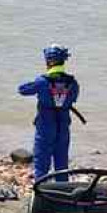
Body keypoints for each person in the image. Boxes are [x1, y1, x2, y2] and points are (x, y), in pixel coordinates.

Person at [18, 45, 79, 183]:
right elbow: (73, 98)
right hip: (63, 126)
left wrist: (39, 82)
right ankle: (63, 194)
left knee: (42, 165)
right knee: (62, 164)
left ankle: (41, 195)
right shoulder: (73, 83)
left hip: (45, 126)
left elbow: (22, 90)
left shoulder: (42, 82)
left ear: (48, 62)